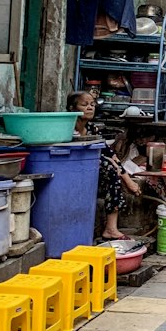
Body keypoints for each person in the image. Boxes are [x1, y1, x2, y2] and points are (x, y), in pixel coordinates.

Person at [68, 91, 145, 241]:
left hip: (91, 172)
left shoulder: (92, 129)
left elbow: (110, 155)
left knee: (111, 167)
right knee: (108, 167)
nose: (90, 108)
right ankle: (110, 228)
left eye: (92, 104)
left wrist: (128, 180)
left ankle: (111, 228)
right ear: (72, 108)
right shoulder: (68, 127)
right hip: (71, 170)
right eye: (84, 105)